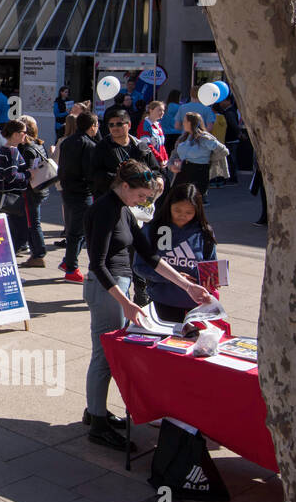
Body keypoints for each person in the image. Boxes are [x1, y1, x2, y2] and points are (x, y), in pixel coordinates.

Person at [83, 161, 212, 450]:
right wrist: (126, 302)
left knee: (108, 353)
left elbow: (150, 255)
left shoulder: (124, 210)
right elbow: (98, 265)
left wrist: (187, 285)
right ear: (125, 186)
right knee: (104, 355)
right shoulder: (105, 209)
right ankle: (98, 424)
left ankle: (95, 412)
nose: (144, 202)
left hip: (119, 284)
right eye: (141, 195)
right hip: (108, 288)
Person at [134, 183, 218, 324]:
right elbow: (139, 266)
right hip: (161, 302)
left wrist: (211, 280)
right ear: (169, 206)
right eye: (177, 210)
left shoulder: (204, 232)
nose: (182, 216)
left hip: (196, 306)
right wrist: (172, 278)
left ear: (197, 211)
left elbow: (212, 267)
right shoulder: (153, 229)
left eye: (189, 212)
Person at [57, 111, 100, 282]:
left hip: (68, 189)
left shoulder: (67, 142)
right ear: (92, 127)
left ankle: (68, 261)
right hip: (82, 192)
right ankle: (71, 267)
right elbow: (89, 172)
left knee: (76, 229)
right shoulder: (89, 145)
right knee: (78, 231)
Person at [89, 107, 162, 199]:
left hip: (139, 200)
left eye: (119, 124)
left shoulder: (141, 146)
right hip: (111, 198)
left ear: (129, 125)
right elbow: (95, 174)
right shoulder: (102, 147)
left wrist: (159, 178)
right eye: (111, 125)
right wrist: (121, 178)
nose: (115, 128)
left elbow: (155, 170)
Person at [169, 111, 228, 201]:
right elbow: (174, 154)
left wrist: (209, 159)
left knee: (193, 201)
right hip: (182, 172)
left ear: (190, 123)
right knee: (176, 199)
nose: (183, 123)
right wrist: (171, 166)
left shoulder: (205, 138)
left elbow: (223, 151)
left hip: (198, 172)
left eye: (185, 121)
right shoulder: (183, 138)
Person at [0, 120, 32, 257]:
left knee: (12, 231)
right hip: (12, 197)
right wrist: (28, 174)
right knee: (18, 234)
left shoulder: (4, 149)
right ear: (15, 134)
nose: (25, 136)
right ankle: (7, 260)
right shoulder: (12, 151)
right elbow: (11, 176)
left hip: (4, 194)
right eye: (24, 133)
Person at [17, 115, 50, 266]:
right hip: (40, 189)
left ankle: (38, 254)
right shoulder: (39, 144)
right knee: (33, 222)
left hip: (32, 191)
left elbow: (30, 171)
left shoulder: (28, 149)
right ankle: (37, 253)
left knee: (33, 223)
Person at [136, 99, 168, 167]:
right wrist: (160, 159)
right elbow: (147, 146)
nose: (162, 112)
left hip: (160, 163)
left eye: (163, 110)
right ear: (151, 110)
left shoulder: (157, 124)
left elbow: (162, 145)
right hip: (149, 162)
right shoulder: (144, 124)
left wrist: (165, 158)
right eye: (159, 110)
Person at [162, 89, 183, 155]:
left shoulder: (165, 106)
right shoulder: (178, 107)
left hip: (165, 132)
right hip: (176, 132)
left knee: (167, 151)